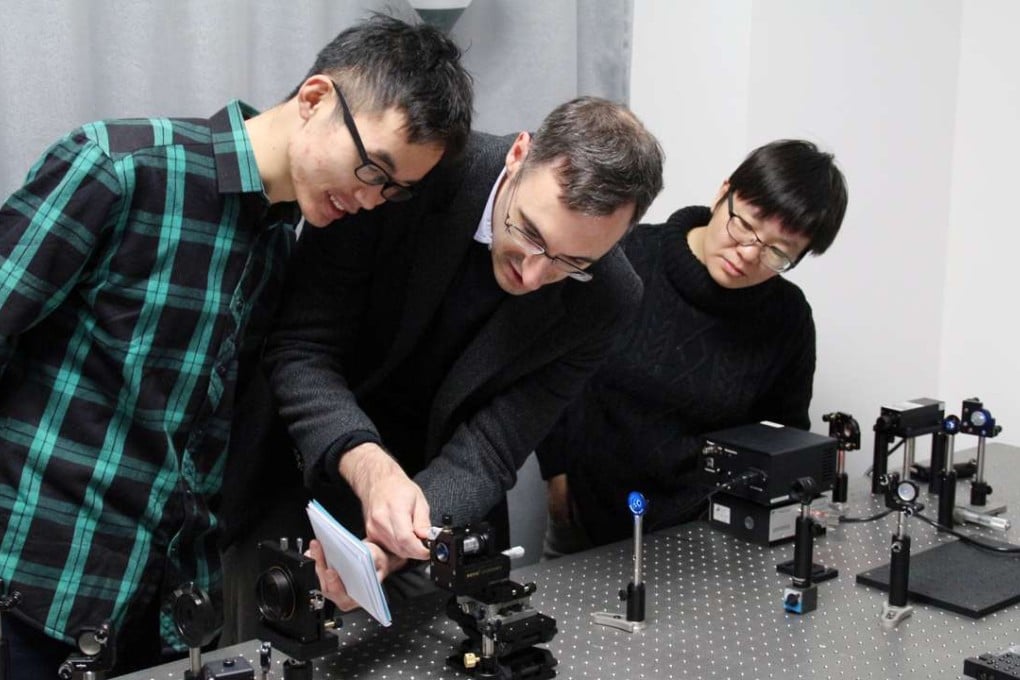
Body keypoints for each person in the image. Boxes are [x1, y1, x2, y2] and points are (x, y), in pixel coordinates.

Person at [0, 14, 472, 677]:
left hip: (166, 609)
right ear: (313, 100)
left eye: (391, 190)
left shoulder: (284, 242)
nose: (369, 199)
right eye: (371, 168)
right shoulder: (122, 166)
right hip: (31, 587)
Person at [253, 95, 663, 616]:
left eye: (572, 263)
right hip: (306, 461)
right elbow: (301, 346)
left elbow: (493, 446)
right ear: (519, 154)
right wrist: (369, 468)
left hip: (444, 508)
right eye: (529, 233)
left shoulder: (609, 297)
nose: (533, 276)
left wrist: (396, 543)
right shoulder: (419, 172)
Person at [535, 139, 848, 555]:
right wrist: (555, 470)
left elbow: (783, 437)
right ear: (724, 193)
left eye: (778, 252)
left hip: (707, 538)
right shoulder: (626, 256)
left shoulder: (786, 318)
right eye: (746, 224)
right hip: (586, 515)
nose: (749, 254)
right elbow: (551, 364)